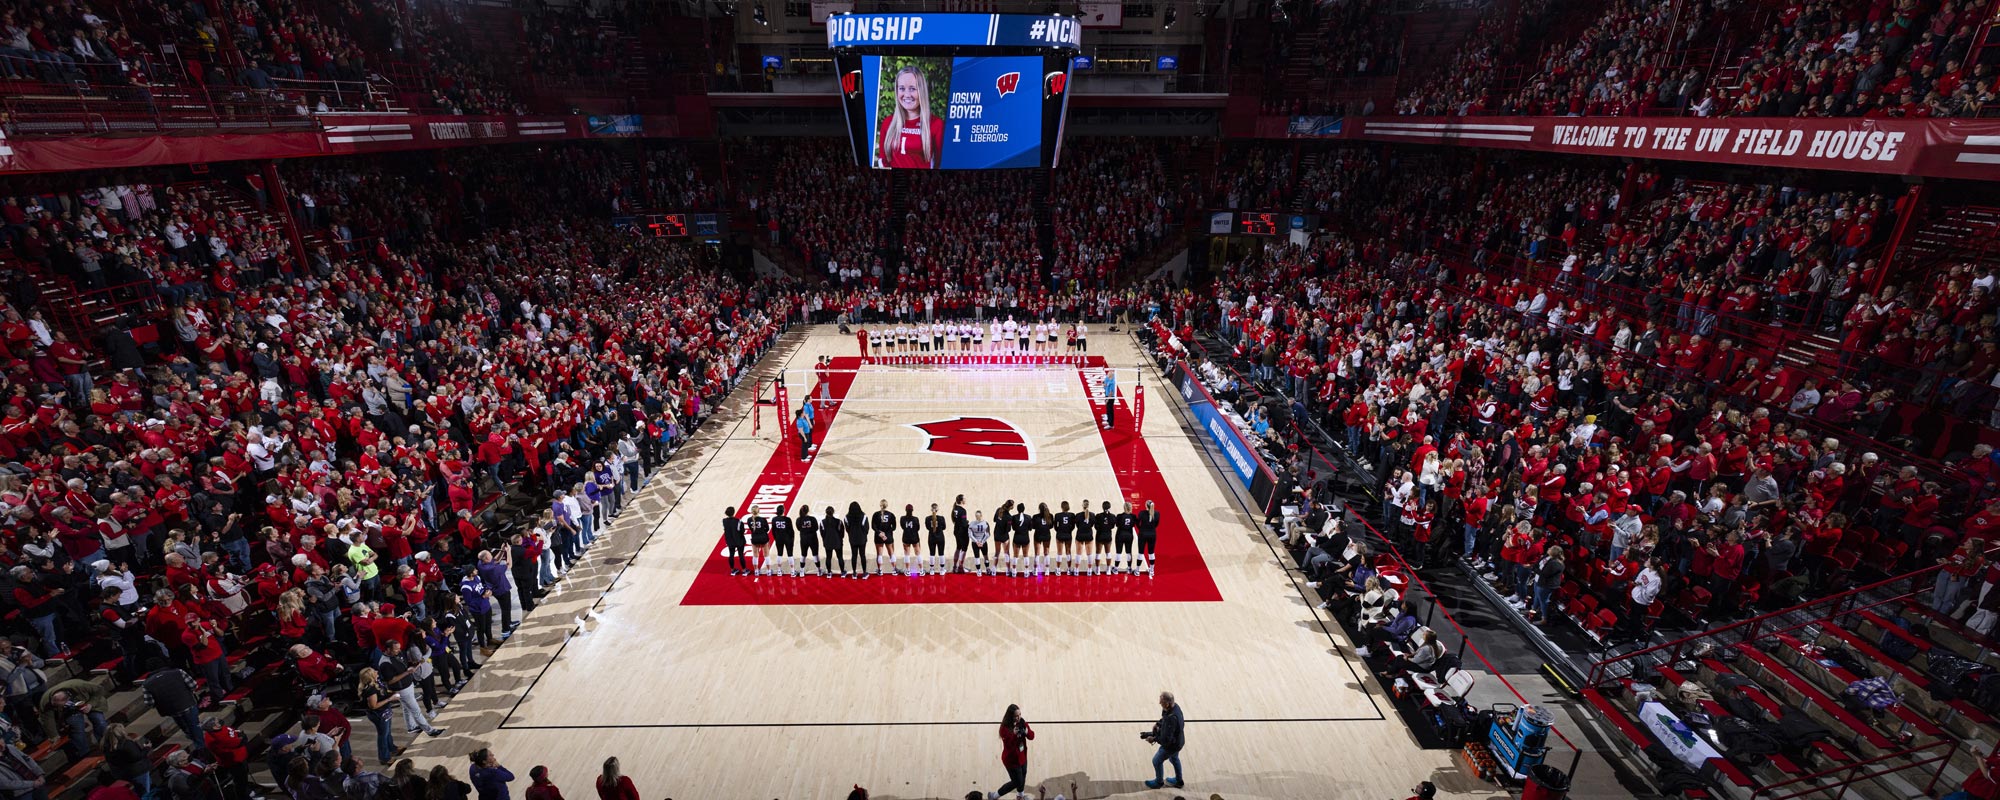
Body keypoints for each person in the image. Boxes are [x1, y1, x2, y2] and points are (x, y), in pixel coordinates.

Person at [876, 65, 941, 169]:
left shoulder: (936, 124)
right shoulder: (888, 122)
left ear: (921, 91)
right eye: (902, 88)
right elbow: (883, 160)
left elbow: (940, 164)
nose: (906, 94)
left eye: (912, 89)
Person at [1142, 691, 1186, 789]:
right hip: (1179, 741)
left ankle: (1159, 782)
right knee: (1174, 758)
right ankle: (1179, 781)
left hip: (1172, 745)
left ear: (1167, 703)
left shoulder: (1171, 718)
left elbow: (1166, 740)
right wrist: (1159, 723)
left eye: (1161, 702)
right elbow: (1165, 718)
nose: (1159, 703)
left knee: (1156, 761)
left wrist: (1153, 739)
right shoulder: (1175, 708)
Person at [991, 704, 1033, 800]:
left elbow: (1032, 736)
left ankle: (1020, 796)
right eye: (1016, 716)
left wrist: (1026, 731)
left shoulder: (1022, 722)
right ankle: (994, 796)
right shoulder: (1004, 729)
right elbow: (1009, 746)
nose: (1019, 718)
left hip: (1022, 757)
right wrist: (1014, 735)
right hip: (1011, 761)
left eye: (1020, 715)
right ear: (1011, 716)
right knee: (1017, 782)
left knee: (1023, 775)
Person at [357, 669, 399, 765]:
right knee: (383, 735)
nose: (376, 671)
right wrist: (390, 699)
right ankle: (384, 758)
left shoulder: (376, 682)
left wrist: (391, 693)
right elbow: (373, 706)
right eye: (374, 671)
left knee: (387, 731)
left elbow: (383, 692)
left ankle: (392, 748)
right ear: (370, 676)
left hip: (384, 711)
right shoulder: (370, 690)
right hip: (379, 714)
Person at [871, 500, 897, 576]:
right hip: (888, 536)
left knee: (879, 554)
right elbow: (894, 527)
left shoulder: (876, 514)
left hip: (878, 536)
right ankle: (894, 570)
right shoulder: (891, 514)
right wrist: (887, 533)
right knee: (891, 553)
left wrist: (880, 533)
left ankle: (880, 570)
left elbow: (873, 526)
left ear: (880, 505)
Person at [1137, 500, 1162, 577]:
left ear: (1146, 506)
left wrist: (1141, 529)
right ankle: (1151, 571)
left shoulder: (1141, 513)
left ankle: (1137, 571)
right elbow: (1156, 524)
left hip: (1142, 534)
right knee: (1151, 553)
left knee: (1140, 552)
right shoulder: (1157, 514)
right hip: (1152, 534)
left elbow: (1137, 523)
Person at [821, 506, 848, 577]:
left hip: (827, 542)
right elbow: (842, 533)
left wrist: (825, 540)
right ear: (833, 512)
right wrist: (840, 539)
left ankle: (829, 573)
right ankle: (842, 572)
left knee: (828, 557)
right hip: (837, 542)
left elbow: (822, 534)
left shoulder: (822, 522)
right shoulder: (839, 521)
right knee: (840, 557)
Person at [746, 507, 772, 578]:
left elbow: (751, 529)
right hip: (763, 538)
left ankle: (756, 571)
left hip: (754, 538)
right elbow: (767, 529)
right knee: (766, 555)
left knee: (755, 555)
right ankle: (769, 571)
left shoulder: (749, 520)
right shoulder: (763, 519)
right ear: (759, 511)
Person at [722, 507, 748, 576]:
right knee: (741, 555)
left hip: (730, 540)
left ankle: (732, 570)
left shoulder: (724, 521)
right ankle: (744, 570)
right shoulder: (738, 521)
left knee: (731, 555)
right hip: (739, 540)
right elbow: (742, 531)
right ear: (734, 512)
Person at [797, 505, 822, 577]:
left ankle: (802, 571)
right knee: (815, 554)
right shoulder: (812, 519)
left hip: (804, 538)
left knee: (803, 554)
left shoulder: (799, 519)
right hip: (812, 538)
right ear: (808, 511)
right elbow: (817, 528)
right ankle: (819, 570)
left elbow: (799, 528)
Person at [968, 510, 992, 575]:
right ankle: (987, 568)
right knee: (985, 555)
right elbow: (988, 534)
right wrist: (982, 541)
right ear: (981, 515)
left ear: (975, 516)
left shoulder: (971, 524)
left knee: (977, 557)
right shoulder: (985, 523)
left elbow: (970, 535)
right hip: (983, 542)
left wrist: (976, 541)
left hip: (975, 543)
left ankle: (978, 571)